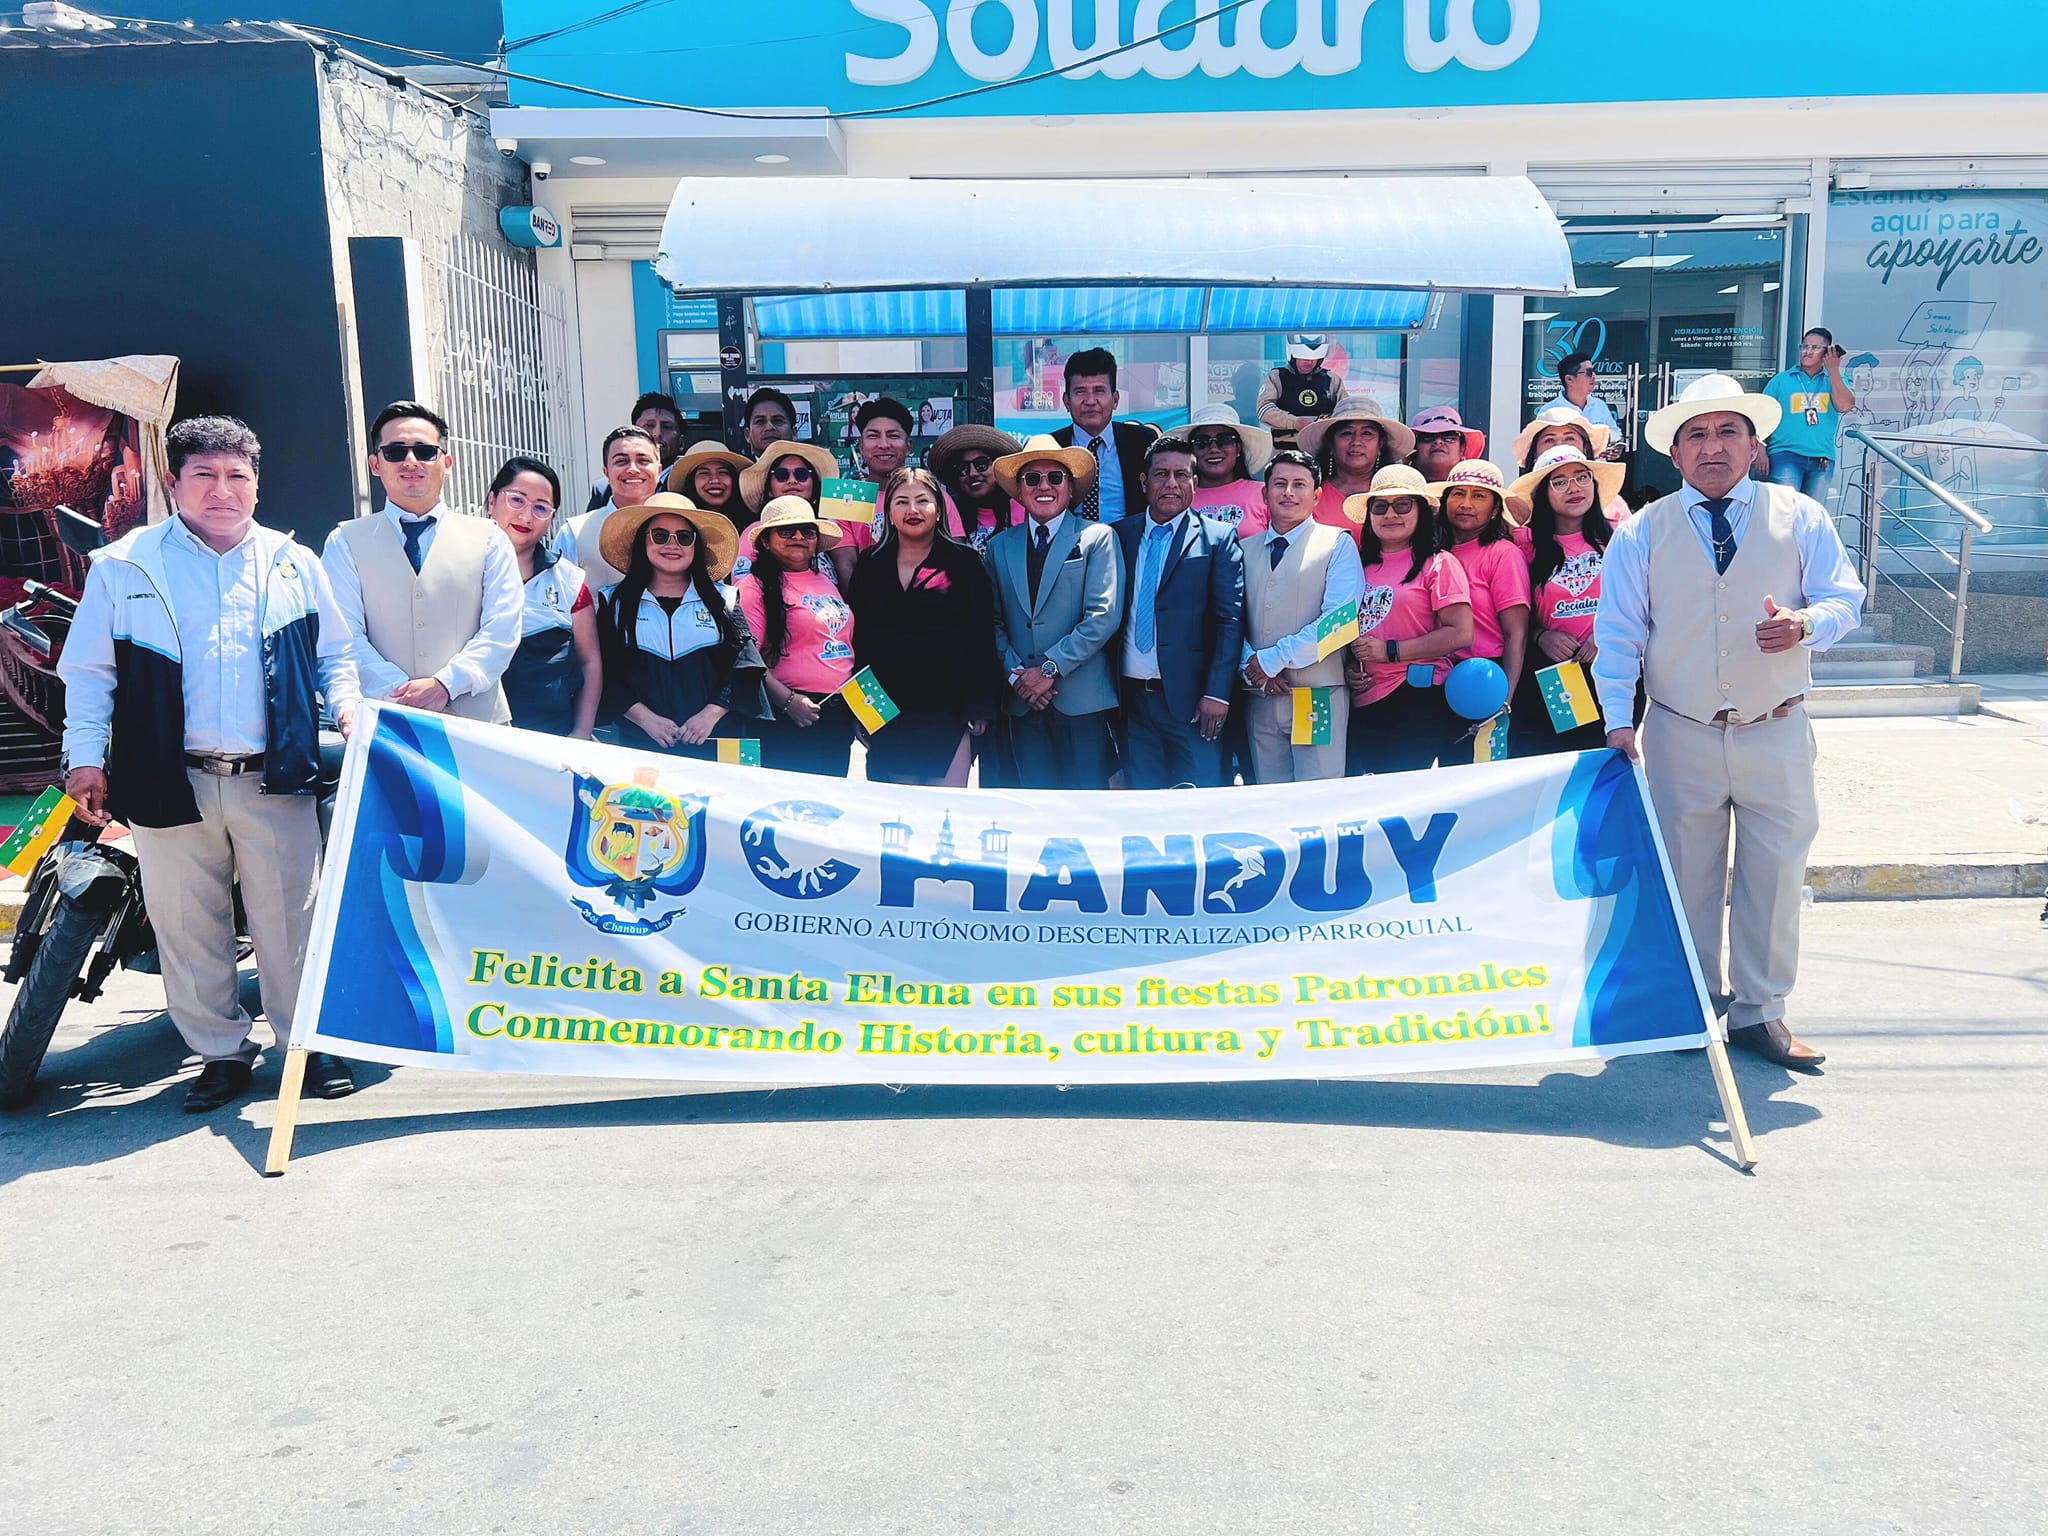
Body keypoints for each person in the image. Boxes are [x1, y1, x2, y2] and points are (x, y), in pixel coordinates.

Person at [58, 416, 362, 1112]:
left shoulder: (293, 562)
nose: (222, 490)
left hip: (273, 776)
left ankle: (305, 1046)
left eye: (236, 477)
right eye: (204, 475)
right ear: (174, 483)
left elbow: (335, 655)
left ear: (256, 484)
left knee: (292, 921)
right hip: (168, 776)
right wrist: (85, 759)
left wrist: (347, 707)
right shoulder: (126, 565)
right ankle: (221, 1054)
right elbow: (89, 673)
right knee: (187, 925)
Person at [1595, 374, 1866, 1071]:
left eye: (1727, 432)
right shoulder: (1641, 531)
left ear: (1754, 445)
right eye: (1697, 435)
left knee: (1774, 875)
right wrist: (1618, 720)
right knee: (1686, 874)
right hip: (1680, 727)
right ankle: (1690, 1004)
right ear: (1676, 454)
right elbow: (1619, 632)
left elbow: (1845, 599)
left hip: (1776, 724)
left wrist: (1807, 625)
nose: (1712, 446)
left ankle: (1760, 1012)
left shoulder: (1801, 516)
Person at [324, 400, 521, 725]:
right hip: (386, 723)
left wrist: (446, 684)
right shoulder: (344, 541)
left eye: (425, 451)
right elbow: (344, 636)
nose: (411, 461)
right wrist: (401, 695)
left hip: (480, 726)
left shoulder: (490, 538)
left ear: (447, 463)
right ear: (375, 464)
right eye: (395, 452)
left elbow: (502, 629)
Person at [847, 468, 1004, 787]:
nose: (912, 510)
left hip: (949, 707)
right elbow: (858, 639)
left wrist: (979, 705)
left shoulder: (964, 561)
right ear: (889, 513)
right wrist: (861, 708)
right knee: (898, 811)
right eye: (901, 502)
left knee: (944, 810)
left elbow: (980, 636)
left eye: (922, 501)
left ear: (939, 509)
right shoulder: (870, 563)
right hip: (886, 706)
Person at [986, 434, 1125, 788]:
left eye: (1055, 477)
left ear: (1070, 486)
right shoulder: (999, 546)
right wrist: (1018, 678)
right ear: (1020, 490)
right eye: (1032, 478)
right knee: (1034, 805)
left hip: (1080, 700)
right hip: (1023, 701)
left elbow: (1103, 616)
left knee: (1086, 806)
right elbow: (992, 621)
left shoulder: (1098, 538)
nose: (1044, 486)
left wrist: (1050, 669)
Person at [1114, 434, 1245, 789]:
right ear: (1144, 482)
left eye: (1181, 475)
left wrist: (1217, 693)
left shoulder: (1218, 539)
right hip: (1132, 701)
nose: (1171, 484)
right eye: (1161, 474)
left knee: (1199, 802)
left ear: (1195, 483)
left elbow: (1230, 621)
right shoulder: (1119, 535)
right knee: (1143, 802)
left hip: (1194, 704)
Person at [595, 492, 766, 759]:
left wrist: (711, 714)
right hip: (638, 744)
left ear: (696, 546)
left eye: (684, 537)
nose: (672, 545)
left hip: (721, 741)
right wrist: (645, 719)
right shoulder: (613, 602)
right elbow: (602, 671)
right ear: (642, 541)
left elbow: (746, 667)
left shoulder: (725, 599)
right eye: (660, 535)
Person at [1239, 447, 1364, 783]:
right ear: (1264, 494)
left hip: (1316, 695)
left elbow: (1340, 622)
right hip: (1261, 694)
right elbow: (1230, 621)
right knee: (1270, 794)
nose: (1289, 493)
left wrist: (1274, 659)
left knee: (1317, 793)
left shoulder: (1336, 543)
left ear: (1317, 495)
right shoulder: (1244, 550)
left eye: (1299, 485)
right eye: (1279, 484)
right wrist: (1251, 665)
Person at [1341, 465, 1472, 777]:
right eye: (1380, 507)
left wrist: (1391, 651)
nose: (1390, 514)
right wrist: (1350, 667)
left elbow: (1461, 633)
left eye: (1402, 505)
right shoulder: (1355, 565)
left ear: (1421, 511)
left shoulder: (1439, 563)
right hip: (1362, 698)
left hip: (1418, 696)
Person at [1505, 445, 1625, 755]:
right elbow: (1509, 615)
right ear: (1543, 493)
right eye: (1559, 482)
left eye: (1582, 477)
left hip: (1612, 674)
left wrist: (1604, 635)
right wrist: (1540, 636)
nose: (1574, 488)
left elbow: (1640, 605)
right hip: (1553, 676)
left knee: (1604, 767)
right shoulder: (1523, 544)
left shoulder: (1621, 539)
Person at [735, 497, 857, 777]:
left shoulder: (825, 580)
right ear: (766, 541)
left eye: (808, 531)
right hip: (788, 716)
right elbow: (746, 658)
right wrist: (788, 702)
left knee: (830, 800)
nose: (799, 537)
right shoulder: (752, 588)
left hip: (836, 715)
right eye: (787, 531)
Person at [485, 456, 601, 739]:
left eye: (540, 507)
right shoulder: (461, 571)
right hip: (479, 739)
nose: (526, 516)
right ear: (492, 501)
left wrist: (581, 733)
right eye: (517, 500)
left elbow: (590, 663)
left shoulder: (570, 581)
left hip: (552, 740)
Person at [1433, 459, 1532, 756]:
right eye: (1458, 494)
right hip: (1435, 679)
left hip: (1484, 680)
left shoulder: (1503, 554)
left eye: (1478, 496)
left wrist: (1505, 699)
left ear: (1495, 509)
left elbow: (1516, 634)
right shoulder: (1431, 552)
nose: (1466, 504)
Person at [1051, 348, 1158, 525]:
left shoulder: (1142, 441)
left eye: (1099, 391)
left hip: (1127, 540)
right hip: (1067, 541)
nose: (1090, 401)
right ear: (1066, 401)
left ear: (1115, 399)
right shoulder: (1052, 446)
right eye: (1080, 392)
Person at [560, 425, 665, 588]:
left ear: (659, 471)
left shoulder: (679, 527)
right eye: (621, 461)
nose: (632, 469)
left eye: (643, 461)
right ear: (606, 472)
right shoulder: (573, 533)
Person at [1763, 326, 1857, 500]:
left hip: (1821, 457)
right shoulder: (1781, 380)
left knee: (1813, 512)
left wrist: (1833, 370)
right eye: (1804, 346)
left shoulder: (1835, 379)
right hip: (1785, 453)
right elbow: (1761, 416)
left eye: (1815, 348)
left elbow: (1845, 406)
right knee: (1785, 509)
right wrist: (1761, 450)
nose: (1807, 352)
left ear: (1826, 352)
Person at [1297, 400, 1415, 535]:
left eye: (1367, 433)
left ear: (1380, 444)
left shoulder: (1397, 493)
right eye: (1346, 433)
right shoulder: (1310, 495)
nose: (1356, 442)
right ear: (1331, 444)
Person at [740, 437, 846, 582]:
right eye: (781, 475)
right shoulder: (756, 532)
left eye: (801, 474)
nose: (792, 481)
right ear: (769, 489)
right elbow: (743, 586)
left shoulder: (824, 527)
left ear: (814, 486)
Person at [1511, 405, 1630, 528]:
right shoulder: (1517, 509)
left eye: (1570, 438)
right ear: (1534, 453)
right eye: (1549, 440)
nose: (1560, 445)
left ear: (1585, 448)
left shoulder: (1614, 506)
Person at [927, 422, 1024, 550]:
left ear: (998, 467)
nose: (973, 473)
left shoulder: (1022, 508)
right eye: (963, 468)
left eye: (981, 464)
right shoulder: (949, 514)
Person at [1185, 402, 1272, 538]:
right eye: (1202, 442)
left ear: (1238, 449)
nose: (1214, 449)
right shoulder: (1181, 497)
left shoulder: (1265, 493)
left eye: (1224, 440)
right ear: (1192, 452)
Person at [1256, 334, 1354, 449]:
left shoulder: (1332, 379)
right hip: (1285, 448)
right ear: (1292, 355)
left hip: (1322, 448)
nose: (1309, 363)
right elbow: (1264, 410)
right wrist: (1295, 422)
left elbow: (1347, 412)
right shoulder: (1276, 377)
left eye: (1314, 359)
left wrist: (1325, 422)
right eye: (1304, 359)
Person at [585, 393, 681, 509]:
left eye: (666, 427)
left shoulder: (690, 485)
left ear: (681, 442)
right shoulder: (604, 489)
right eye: (649, 426)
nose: (657, 433)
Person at [1539, 352, 1623, 446]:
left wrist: (1608, 440)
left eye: (1594, 371)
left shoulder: (1599, 405)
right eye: (1589, 372)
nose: (1594, 376)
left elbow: (1617, 434)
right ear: (1569, 379)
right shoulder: (1549, 411)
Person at [1408, 406, 1486, 485]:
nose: (1438, 441)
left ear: (1462, 449)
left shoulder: (1476, 489)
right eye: (1427, 436)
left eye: (1449, 436)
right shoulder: (1401, 486)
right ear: (1415, 448)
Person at [853, 397, 915, 485]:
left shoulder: (927, 493)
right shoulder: (847, 493)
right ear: (861, 446)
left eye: (893, 436)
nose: (884, 445)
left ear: (908, 447)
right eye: (873, 436)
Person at [739, 387, 798, 457]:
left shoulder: (808, 464)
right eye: (760, 421)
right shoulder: (739, 464)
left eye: (777, 421)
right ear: (747, 435)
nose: (769, 427)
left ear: (794, 433)